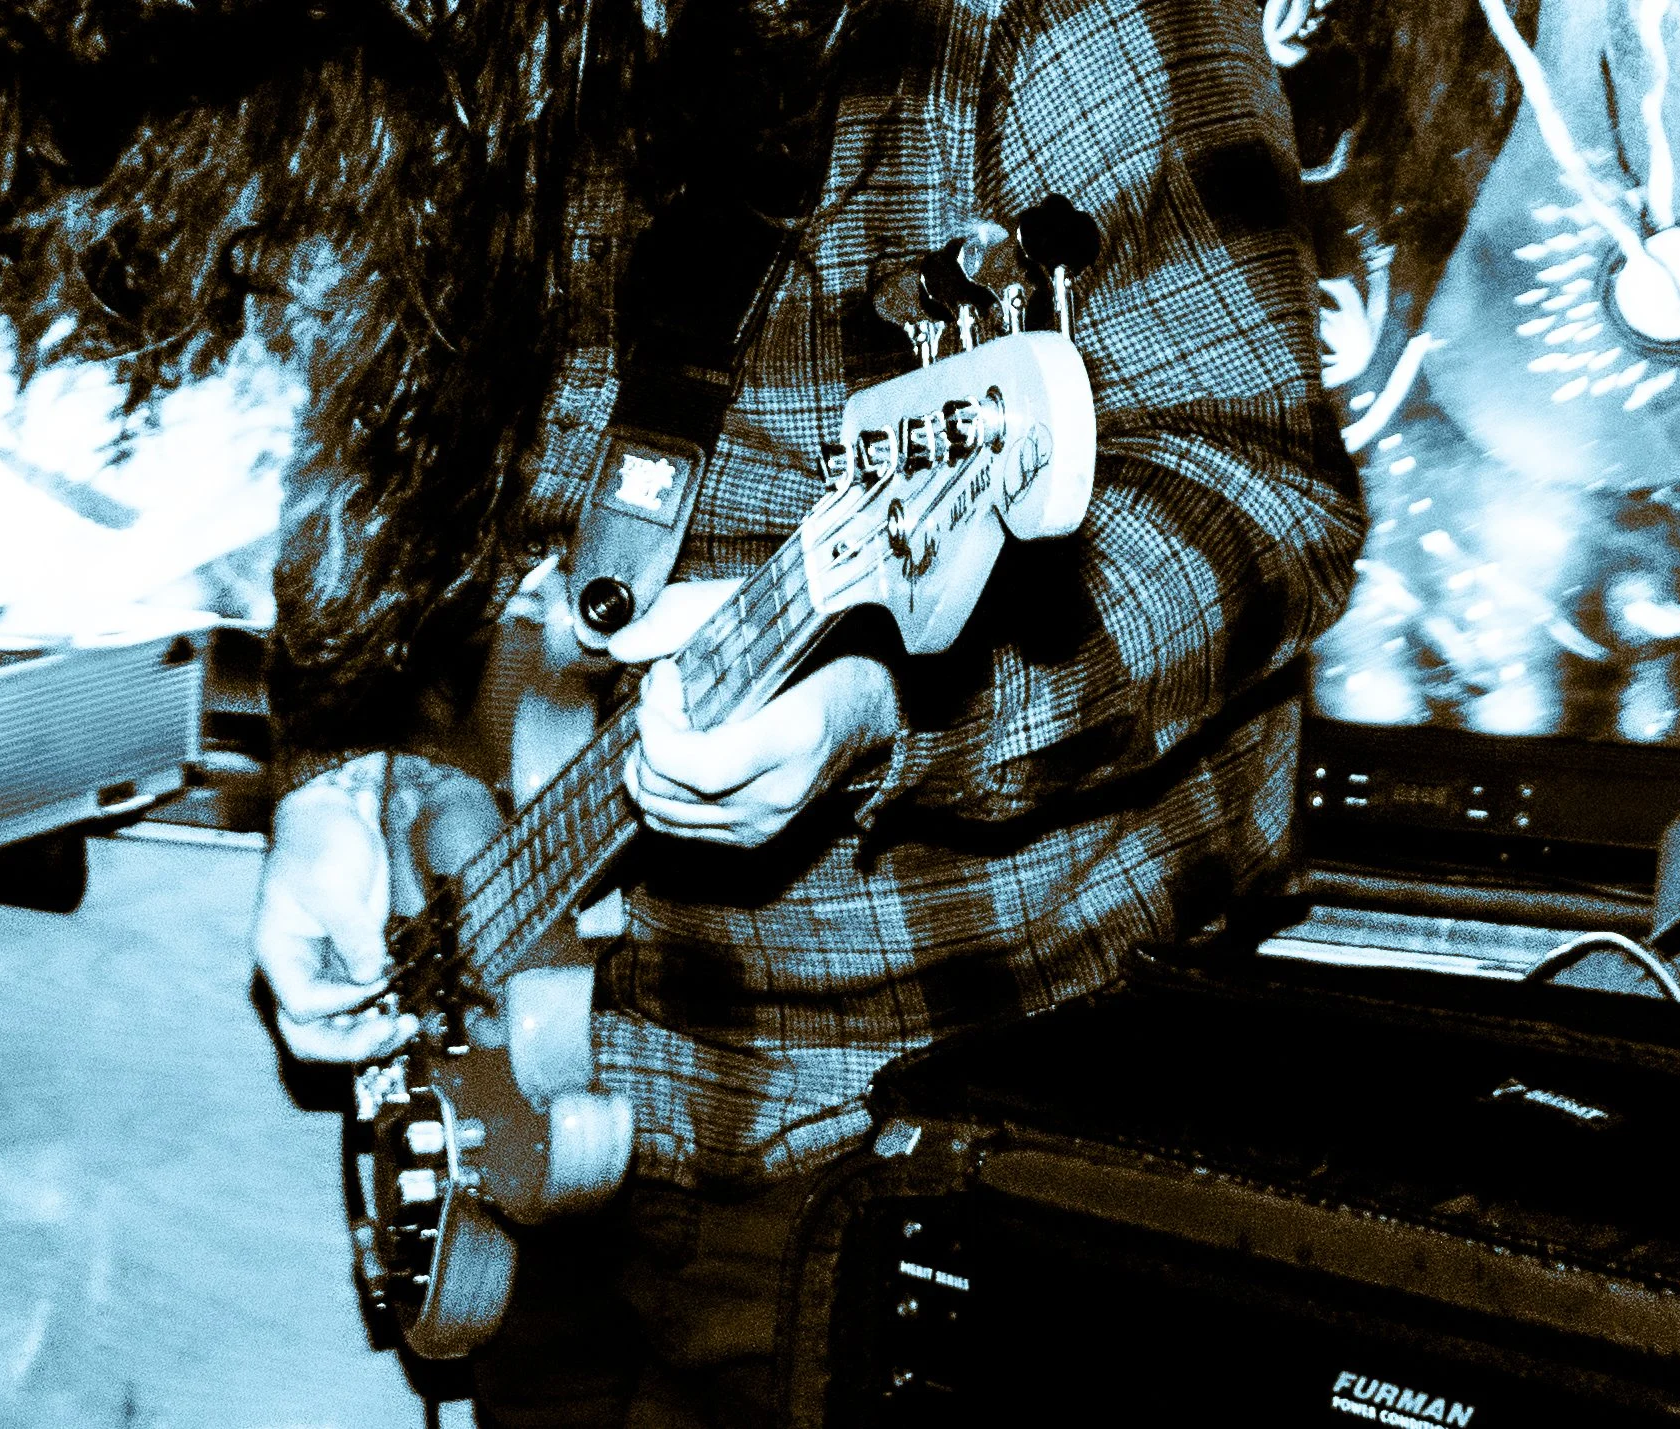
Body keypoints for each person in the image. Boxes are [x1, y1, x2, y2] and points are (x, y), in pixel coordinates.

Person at [251, 0, 1366, 1423]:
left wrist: (895, 700)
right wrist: (335, 763)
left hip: (925, 1129)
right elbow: (364, 410)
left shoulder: (1066, 20)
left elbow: (1256, 503)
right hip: (535, 1099)